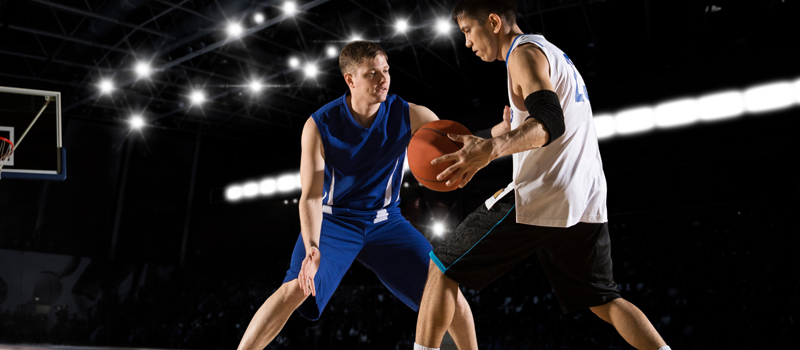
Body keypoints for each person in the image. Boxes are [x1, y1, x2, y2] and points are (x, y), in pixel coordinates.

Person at [414, 1, 671, 350]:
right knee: (605, 300)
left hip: (544, 194)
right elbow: (545, 118)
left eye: (467, 31)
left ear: (493, 22)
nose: (467, 43)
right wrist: (505, 130)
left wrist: (491, 148)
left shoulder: (523, 54)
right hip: (586, 198)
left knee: (442, 266)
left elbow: (550, 122)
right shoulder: (552, 52)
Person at [237, 40, 478, 350]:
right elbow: (311, 196)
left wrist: (498, 136)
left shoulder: (409, 114)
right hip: (335, 222)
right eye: (372, 74)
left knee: (447, 292)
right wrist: (312, 248)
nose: (384, 79)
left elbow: (460, 146)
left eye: (386, 71)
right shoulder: (319, 125)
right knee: (296, 288)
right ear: (350, 80)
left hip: (387, 222)